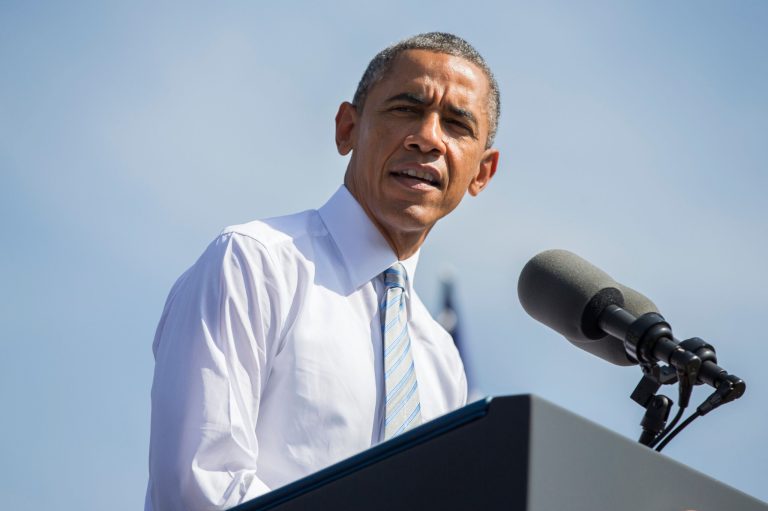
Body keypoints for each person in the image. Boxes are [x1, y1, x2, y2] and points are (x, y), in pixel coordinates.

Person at [145, 32, 501, 511]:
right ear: (347, 129)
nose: (428, 137)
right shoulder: (255, 264)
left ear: (482, 172)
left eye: (457, 124)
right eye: (405, 109)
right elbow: (200, 489)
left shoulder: (443, 362)